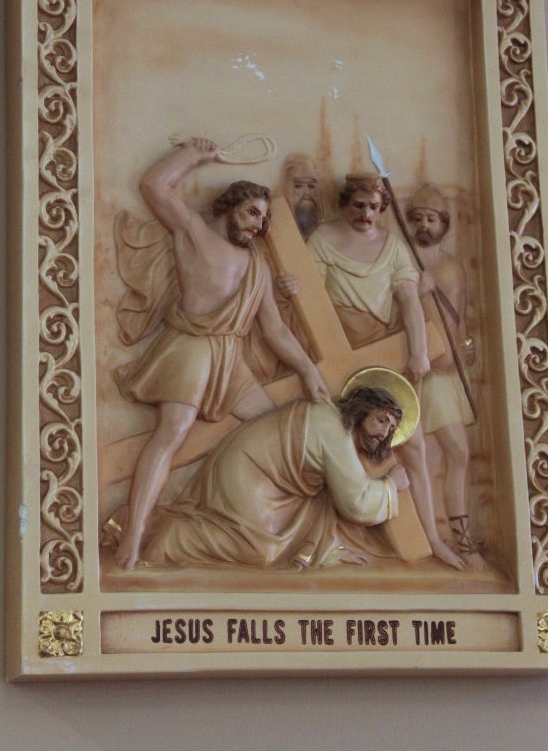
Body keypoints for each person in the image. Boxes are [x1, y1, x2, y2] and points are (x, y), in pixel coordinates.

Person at [112, 137, 328, 569]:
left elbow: (275, 329)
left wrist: (307, 370)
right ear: (228, 207)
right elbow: (154, 185)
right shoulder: (192, 232)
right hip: (190, 351)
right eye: (251, 213)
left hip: (230, 362)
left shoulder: (257, 266)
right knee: (171, 433)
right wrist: (193, 156)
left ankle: (239, 517)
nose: (257, 225)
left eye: (263, 219)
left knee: (277, 429)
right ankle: (133, 534)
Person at [280, 173, 465, 570]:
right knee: (337, 445)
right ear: (345, 204)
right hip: (334, 349)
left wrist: (419, 351)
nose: (366, 214)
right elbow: (311, 296)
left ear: (383, 209)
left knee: (413, 445)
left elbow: (409, 301)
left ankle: (432, 539)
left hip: (380, 358)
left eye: (375, 208)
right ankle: (318, 539)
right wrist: (292, 289)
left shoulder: (393, 246)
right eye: (358, 206)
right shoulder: (324, 239)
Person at [103, 385, 411, 570]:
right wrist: (391, 486)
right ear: (361, 410)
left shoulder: (335, 425)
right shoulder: (335, 429)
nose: (384, 432)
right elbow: (355, 503)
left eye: (391, 428)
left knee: (317, 499)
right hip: (248, 472)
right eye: (381, 419)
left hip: (268, 481)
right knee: (262, 551)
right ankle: (172, 539)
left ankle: (143, 522)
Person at [407, 183, 485, 569]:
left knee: (451, 455)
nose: (425, 225)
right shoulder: (404, 263)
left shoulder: (453, 266)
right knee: (456, 451)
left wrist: (467, 345)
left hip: (452, 369)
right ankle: (462, 541)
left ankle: (454, 536)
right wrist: (418, 291)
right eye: (419, 218)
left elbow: (460, 313)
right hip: (428, 371)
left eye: (432, 219)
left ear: (444, 224)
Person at [280, 153, 323, 238]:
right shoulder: (279, 226)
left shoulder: (324, 231)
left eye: (311, 186)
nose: (306, 193)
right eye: (298, 186)